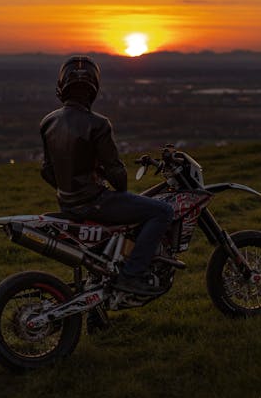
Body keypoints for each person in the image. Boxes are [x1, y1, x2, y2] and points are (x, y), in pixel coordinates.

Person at [40, 55, 174, 295]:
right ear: (94, 87)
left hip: (68, 205)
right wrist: (106, 175)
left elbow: (47, 171)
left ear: (62, 86)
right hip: (94, 203)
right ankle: (132, 274)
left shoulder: (48, 122)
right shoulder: (99, 124)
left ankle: (99, 298)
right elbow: (118, 178)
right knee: (162, 211)